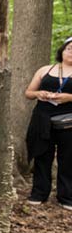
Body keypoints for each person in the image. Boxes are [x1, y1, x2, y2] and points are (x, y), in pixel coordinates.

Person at [25, 37, 72, 211]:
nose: (71, 52)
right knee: (42, 154)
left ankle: (66, 196)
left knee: (68, 158)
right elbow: (28, 92)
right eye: (69, 48)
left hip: (68, 122)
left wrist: (68, 97)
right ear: (62, 50)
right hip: (42, 119)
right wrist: (39, 93)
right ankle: (39, 193)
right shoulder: (46, 69)